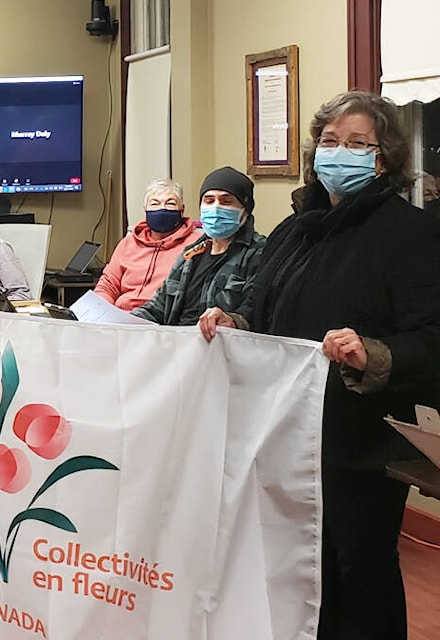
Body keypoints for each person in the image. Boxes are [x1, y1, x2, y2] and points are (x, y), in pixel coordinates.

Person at [199, 91, 440, 640]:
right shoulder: (293, 232)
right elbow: (264, 312)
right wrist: (233, 323)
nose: (340, 152)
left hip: (363, 440)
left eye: (358, 144)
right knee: (301, 572)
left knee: (360, 570)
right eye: (330, 142)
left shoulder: (411, 234)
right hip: (288, 433)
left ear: (383, 159)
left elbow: (432, 339)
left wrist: (371, 352)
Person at [132, 166, 265, 325]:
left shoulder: (259, 253)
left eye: (226, 201)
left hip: (220, 344)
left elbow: (256, 310)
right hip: (177, 343)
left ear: (245, 209)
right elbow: (157, 308)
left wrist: (233, 321)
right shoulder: (191, 254)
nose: (216, 207)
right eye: (209, 200)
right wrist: (121, 323)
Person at [94, 178, 202, 310]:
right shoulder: (128, 243)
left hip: (162, 320)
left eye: (170, 203)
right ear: (145, 209)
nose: (162, 208)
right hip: (120, 320)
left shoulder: (196, 245)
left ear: (182, 209)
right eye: (155, 204)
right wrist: (102, 311)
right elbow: (108, 285)